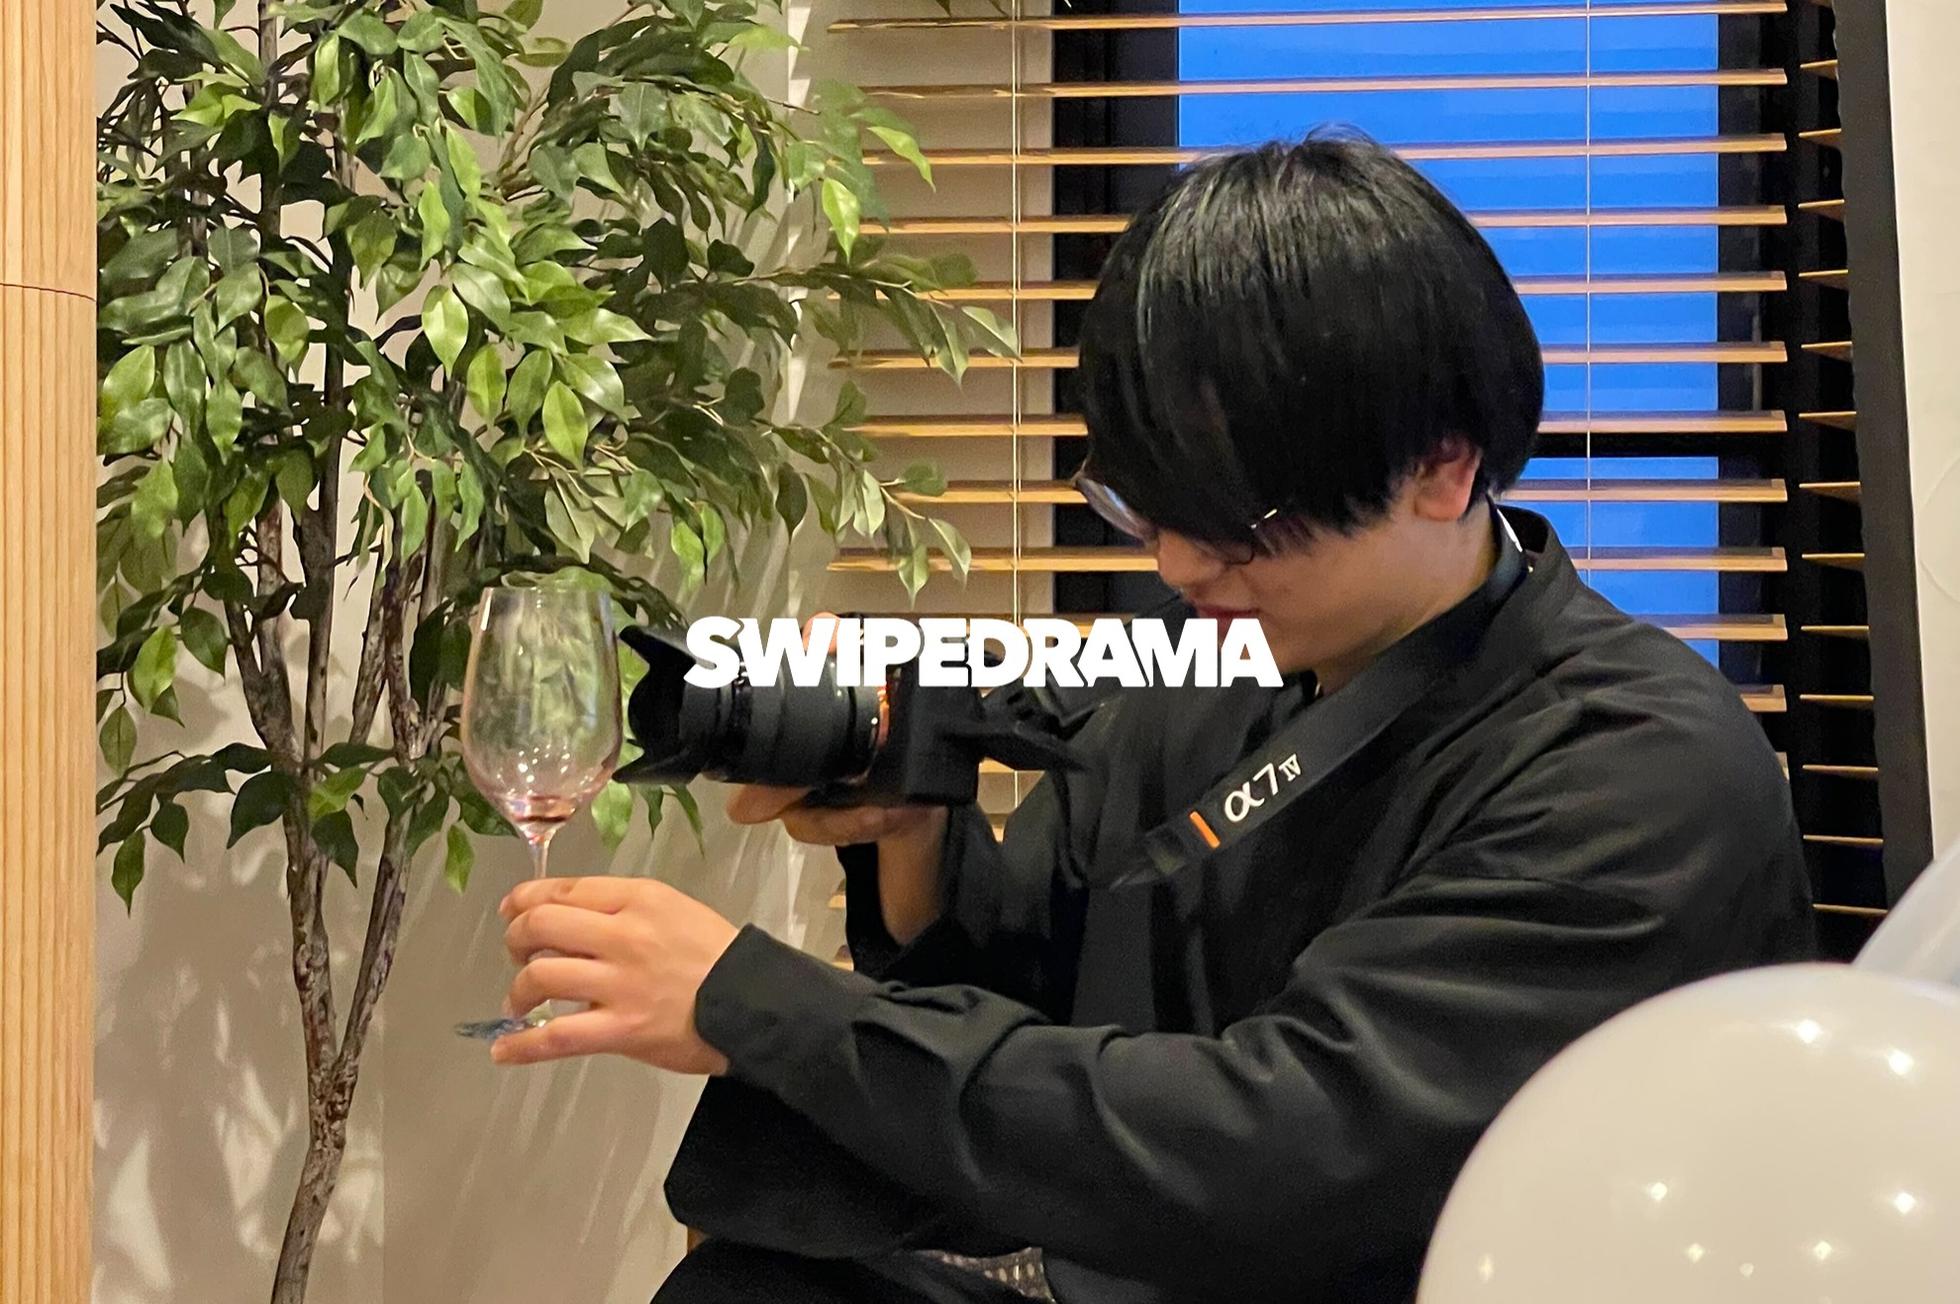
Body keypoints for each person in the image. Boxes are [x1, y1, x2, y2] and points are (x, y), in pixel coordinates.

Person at [487, 132, 1818, 1304]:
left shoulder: (1636, 769)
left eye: (1237, 525)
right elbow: (1024, 997)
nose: (1179, 565)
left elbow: (1272, 1154)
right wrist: (914, 839)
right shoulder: (1218, 664)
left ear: (1442, 467)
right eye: (1145, 509)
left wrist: (757, 1006)